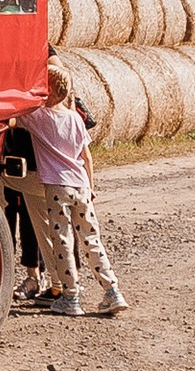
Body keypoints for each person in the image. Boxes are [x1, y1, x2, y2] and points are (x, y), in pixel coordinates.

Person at [24, 61, 124, 316]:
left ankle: (71, 298)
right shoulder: (75, 119)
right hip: (81, 185)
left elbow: (12, 114)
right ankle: (112, 291)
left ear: (49, 92)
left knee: (63, 241)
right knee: (92, 240)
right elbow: (87, 157)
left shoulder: (38, 117)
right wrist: (91, 188)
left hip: (58, 187)